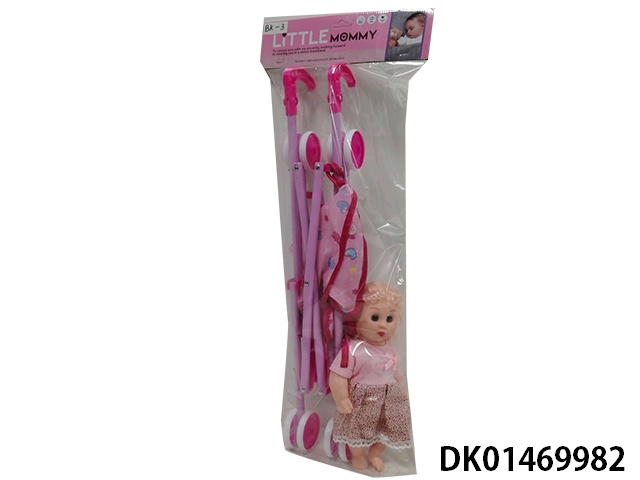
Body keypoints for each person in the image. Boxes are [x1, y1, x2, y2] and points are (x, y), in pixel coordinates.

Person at [329, 282, 411, 472]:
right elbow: (338, 375)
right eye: (375, 317)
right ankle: (357, 454)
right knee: (356, 431)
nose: (383, 324)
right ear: (357, 318)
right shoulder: (352, 349)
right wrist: (341, 398)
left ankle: (375, 452)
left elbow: (398, 375)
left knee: (390, 428)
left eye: (390, 318)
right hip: (362, 402)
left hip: (388, 402)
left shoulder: (391, 349)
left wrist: (405, 394)